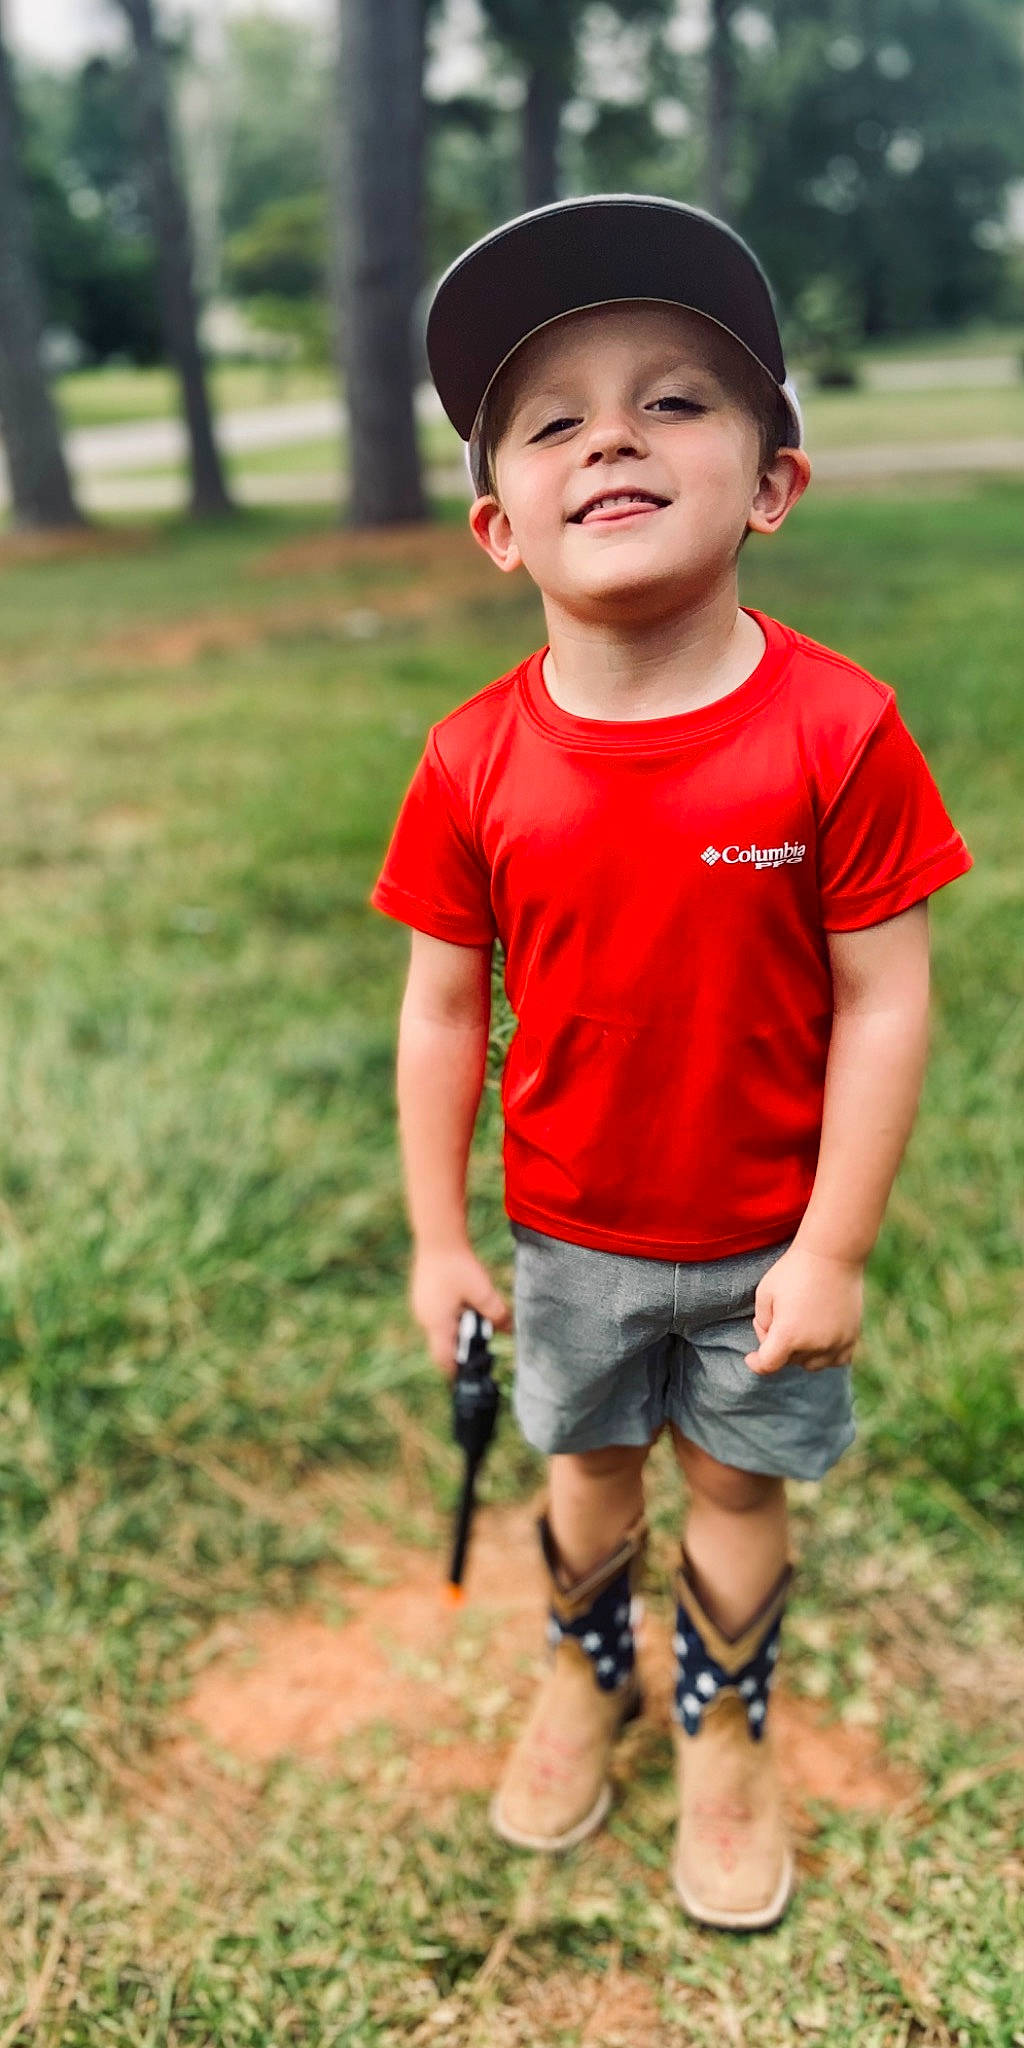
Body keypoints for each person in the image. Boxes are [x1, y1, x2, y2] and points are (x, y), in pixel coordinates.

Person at [370, 196, 971, 1930]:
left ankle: (722, 1724)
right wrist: (435, 1234)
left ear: (774, 482)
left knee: (737, 1477)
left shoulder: (838, 733)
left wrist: (836, 1243)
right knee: (586, 1467)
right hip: (570, 1231)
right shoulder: (474, 758)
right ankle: (589, 1670)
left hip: (765, 1239)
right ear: (500, 525)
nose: (612, 433)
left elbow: (886, 1001)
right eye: (553, 420)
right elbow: (437, 1014)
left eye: (676, 400)